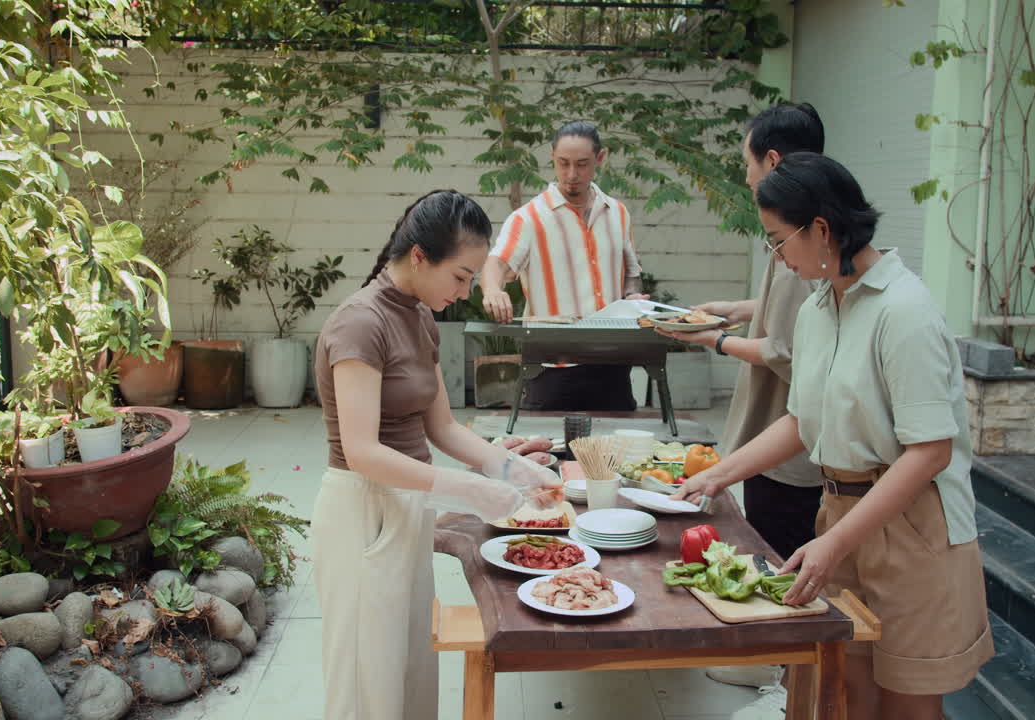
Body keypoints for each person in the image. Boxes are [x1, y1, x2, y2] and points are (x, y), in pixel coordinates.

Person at [674, 153, 993, 720]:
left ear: (820, 229)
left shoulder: (905, 310)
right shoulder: (819, 306)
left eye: (778, 240)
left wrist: (834, 542)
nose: (777, 256)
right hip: (839, 513)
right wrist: (717, 475)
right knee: (842, 693)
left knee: (908, 703)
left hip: (914, 526)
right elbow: (802, 420)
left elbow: (929, 452)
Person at [311, 189, 563, 720]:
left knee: (410, 669)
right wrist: (469, 488)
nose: (467, 291)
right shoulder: (360, 323)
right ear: (419, 256)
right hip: (363, 511)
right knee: (367, 682)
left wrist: (515, 470)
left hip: (407, 506)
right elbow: (361, 452)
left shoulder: (421, 317)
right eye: (461, 277)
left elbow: (442, 427)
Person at [658, 102, 826, 561]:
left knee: (780, 563)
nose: (747, 177)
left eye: (746, 163)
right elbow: (795, 311)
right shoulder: (802, 234)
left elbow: (784, 350)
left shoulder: (798, 238)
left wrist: (713, 339)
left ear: (772, 160)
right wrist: (733, 309)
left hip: (786, 455)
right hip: (781, 445)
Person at [479, 120, 646, 411]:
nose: (571, 175)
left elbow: (631, 273)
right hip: (551, 369)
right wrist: (492, 290)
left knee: (616, 441)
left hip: (613, 366)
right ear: (552, 157)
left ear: (600, 158)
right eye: (563, 163)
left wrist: (633, 297)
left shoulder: (618, 213)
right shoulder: (529, 218)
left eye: (582, 164)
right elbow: (497, 262)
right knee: (547, 441)